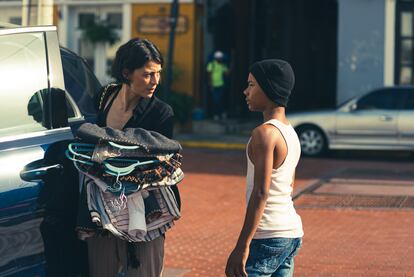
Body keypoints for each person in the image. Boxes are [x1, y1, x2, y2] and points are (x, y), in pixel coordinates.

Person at [87, 38, 180, 277]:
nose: (155, 81)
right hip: (103, 211)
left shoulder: (161, 113)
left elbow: (164, 166)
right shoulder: (103, 98)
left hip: (145, 214)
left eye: (158, 73)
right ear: (127, 72)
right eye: (148, 74)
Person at [225, 59, 303, 277]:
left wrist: (242, 246)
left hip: (267, 235)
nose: (245, 91)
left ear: (269, 89)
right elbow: (288, 186)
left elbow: (261, 192)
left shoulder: (264, 134)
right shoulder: (290, 132)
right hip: (291, 233)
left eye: (251, 85)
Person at [206, 50, 229, 120]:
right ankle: (218, 113)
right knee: (215, 100)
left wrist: (231, 67)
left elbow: (226, 73)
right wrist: (211, 84)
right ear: (216, 58)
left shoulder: (223, 65)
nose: (221, 59)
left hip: (221, 85)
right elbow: (209, 75)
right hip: (214, 85)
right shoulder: (211, 65)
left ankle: (220, 114)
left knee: (219, 100)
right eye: (220, 58)